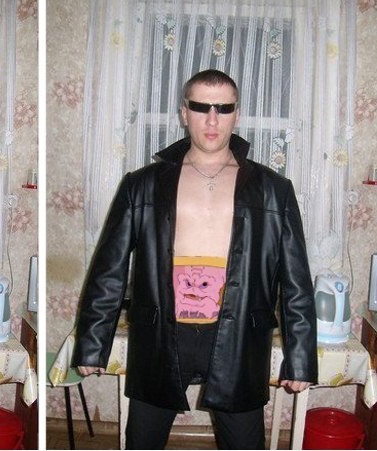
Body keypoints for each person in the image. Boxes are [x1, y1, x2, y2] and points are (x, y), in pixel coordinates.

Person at [71, 69, 317, 449]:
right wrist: (92, 342)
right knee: (142, 441)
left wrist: (300, 359)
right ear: (184, 113)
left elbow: (296, 281)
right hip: (161, 335)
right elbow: (109, 269)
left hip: (237, 335)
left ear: (237, 114)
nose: (212, 120)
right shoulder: (143, 185)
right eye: (201, 107)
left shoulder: (273, 190)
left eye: (223, 108)